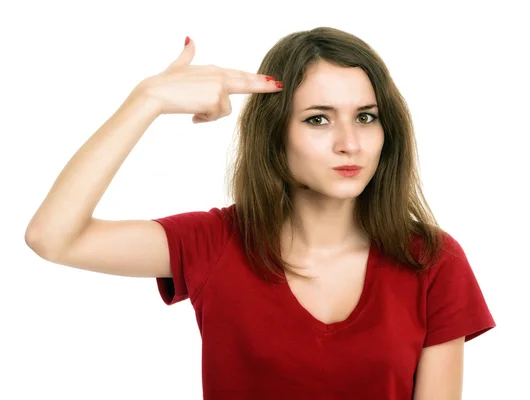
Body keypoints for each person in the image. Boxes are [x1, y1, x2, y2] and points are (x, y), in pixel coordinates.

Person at [25, 27, 496, 399]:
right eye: (318, 118)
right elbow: (53, 237)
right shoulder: (215, 243)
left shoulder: (430, 259)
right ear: (275, 133)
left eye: (366, 117)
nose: (349, 142)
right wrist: (147, 100)